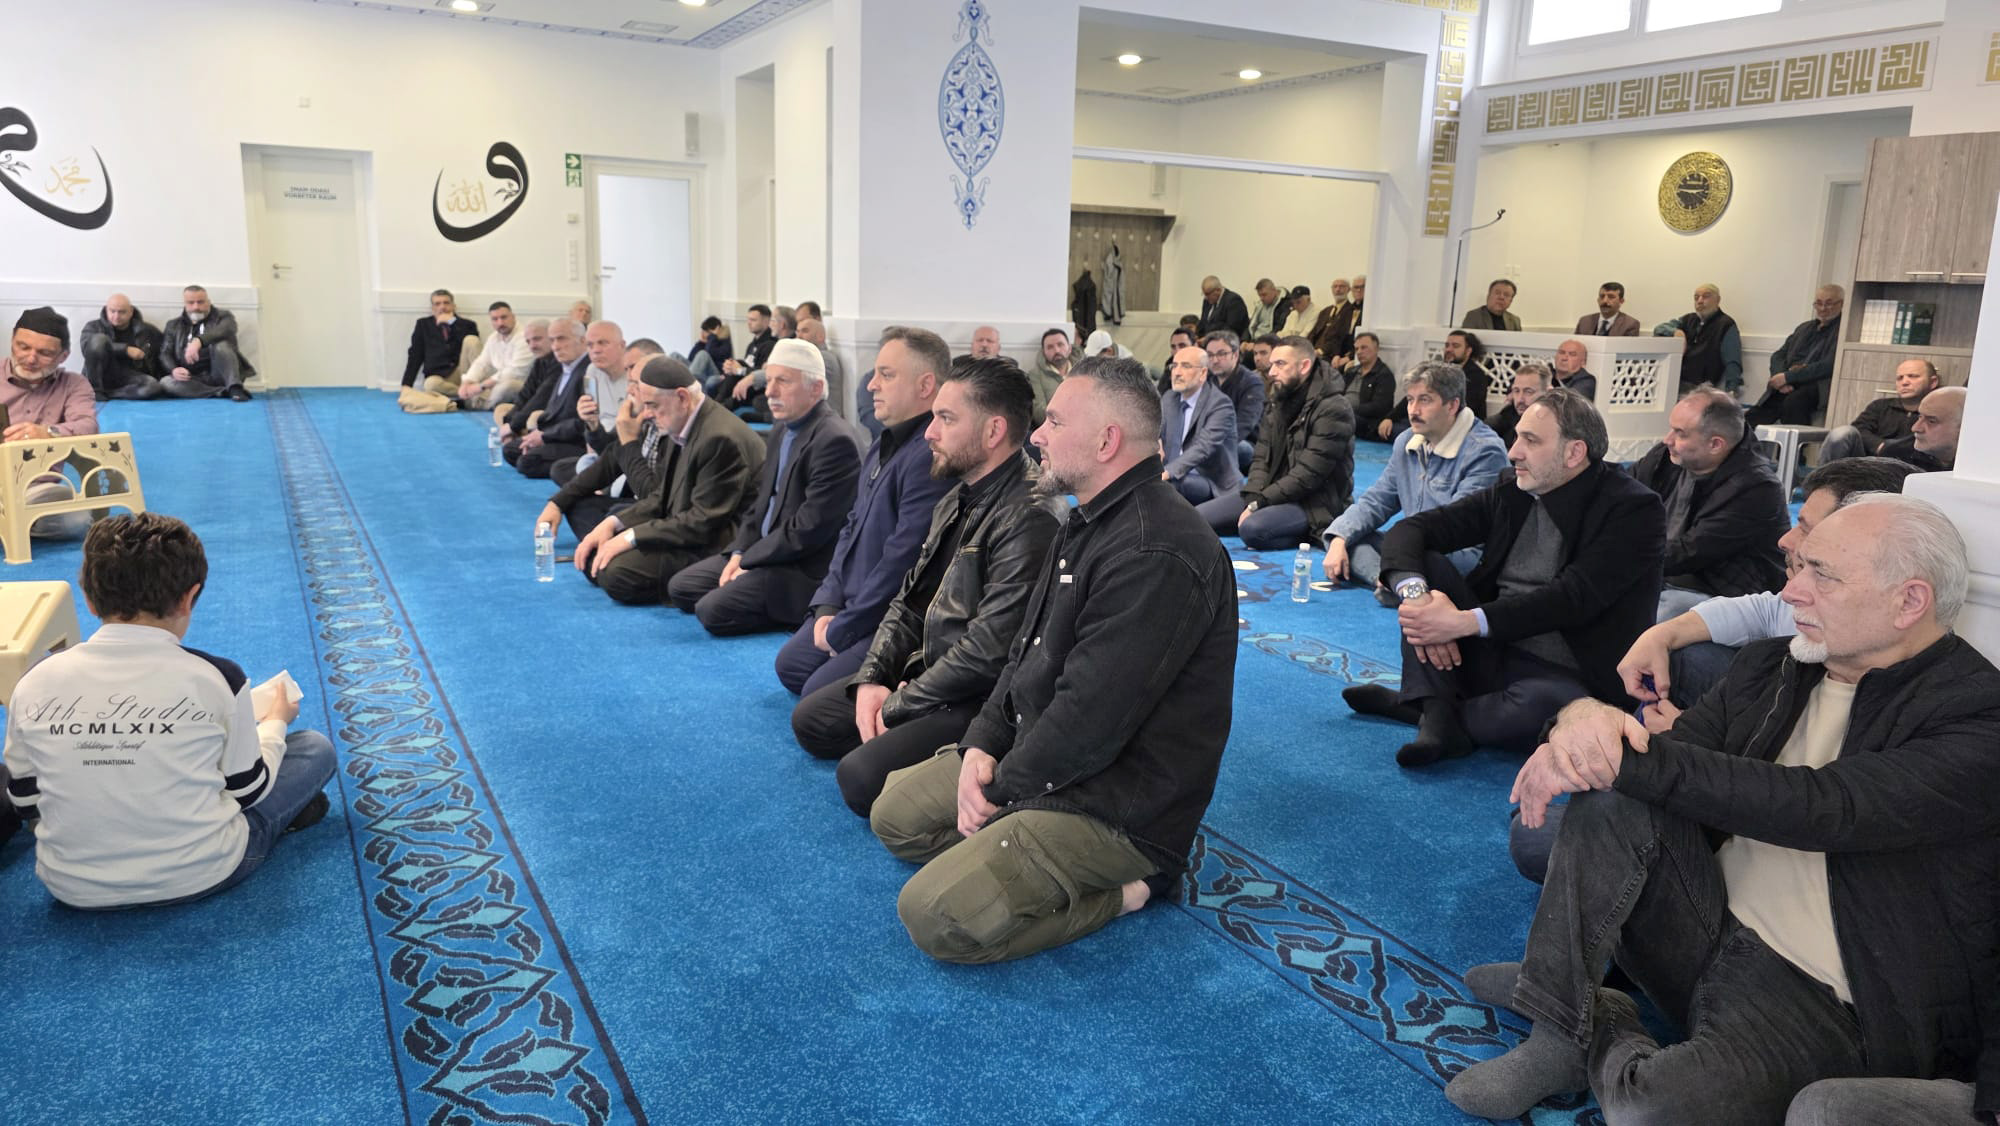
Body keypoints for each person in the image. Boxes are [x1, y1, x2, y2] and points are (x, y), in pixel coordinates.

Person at [1450, 494, 2000, 1124]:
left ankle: (1590, 1006)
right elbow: (1668, 758)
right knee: (1615, 796)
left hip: (1827, 1001)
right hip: (1708, 923)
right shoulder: (1771, 666)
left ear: (1909, 602)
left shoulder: (1978, 715)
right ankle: (1557, 1029)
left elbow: (1827, 807)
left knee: (1648, 1110)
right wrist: (1580, 720)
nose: (1791, 592)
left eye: (1822, 575)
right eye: (1799, 568)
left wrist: (1616, 754)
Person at [867, 355, 1237, 964]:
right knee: (894, 815)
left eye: (1056, 423)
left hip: (1118, 805)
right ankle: (1012, 849)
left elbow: (1090, 720)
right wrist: (982, 743)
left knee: (935, 916)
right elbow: (1022, 652)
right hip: (1047, 753)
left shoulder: (1157, 550)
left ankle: (1139, 887)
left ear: (1106, 441)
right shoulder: (1088, 516)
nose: (1036, 435)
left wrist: (997, 789)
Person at [1504, 457, 1922, 887]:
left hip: (1760, 830)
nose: (1786, 540)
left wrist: (1660, 748)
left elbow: (1801, 800)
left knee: (1541, 834)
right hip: (1737, 780)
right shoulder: (1792, 637)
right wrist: (1658, 641)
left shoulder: (1933, 703)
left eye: (1807, 530)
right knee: (1681, 647)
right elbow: (1762, 608)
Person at [1, 513, 336, 909]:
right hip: (204, 872)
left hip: (71, 886)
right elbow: (248, 790)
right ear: (189, 597)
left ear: (88, 598)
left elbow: (25, 801)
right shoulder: (217, 677)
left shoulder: (34, 681)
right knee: (313, 748)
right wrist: (276, 721)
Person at [791, 357, 1060, 815]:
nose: (930, 433)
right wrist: (875, 677)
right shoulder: (957, 494)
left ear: (993, 431)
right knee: (811, 721)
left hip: (982, 698)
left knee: (859, 779)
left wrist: (899, 703)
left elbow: (987, 653)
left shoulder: (1030, 515)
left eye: (946, 419)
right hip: (933, 670)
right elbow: (908, 601)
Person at [1342, 389, 1665, 767]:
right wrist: (1416, 596)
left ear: (1574, 453)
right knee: (1425, 567)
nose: (1514, 452)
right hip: (1495, 647)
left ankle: (1428, 710)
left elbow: (1571, 598)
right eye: (1516, 437)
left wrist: (1463, 622)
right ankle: (1437, 712)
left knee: (1550, 710)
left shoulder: (1633, 508)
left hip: (1569, 673)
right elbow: (1412, 529)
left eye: (1530, 440)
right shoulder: (1514, 487)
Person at [775, 327, 955, 697]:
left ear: (925, 385)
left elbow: (903, 561)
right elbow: (850, 528)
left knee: (814, 696)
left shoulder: (929, 456)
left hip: (888, 615)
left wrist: (845, 628)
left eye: (886, 375)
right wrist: (827, 603)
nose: (872, 385)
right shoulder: (882, 443)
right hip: (852, 603)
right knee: (790, 667)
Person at [667, 340, 861, 635]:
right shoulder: (782, 428)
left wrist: (749, 560)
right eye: (769, 380)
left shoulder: (835, 441)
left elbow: (808, 530)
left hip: (800, 566)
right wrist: (739, 551)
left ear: (816, 388)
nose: (769, 391)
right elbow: (761, 503)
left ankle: (799, 612)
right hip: (766, 550)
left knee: (711, 611)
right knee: (682, 588)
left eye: (783, 381)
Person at [573, 356, 764, 605]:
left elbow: (702, 522)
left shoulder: (719, 437)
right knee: (595, 556)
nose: (647, 414)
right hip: (687, 526)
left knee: (615, 573)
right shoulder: (682, 421)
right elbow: (660, 496)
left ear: (682, 397)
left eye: (652, 405)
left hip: (718, 541)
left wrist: (631, 536)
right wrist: (612, 524)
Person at [1323, 360, 1508, 596]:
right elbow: (1377, 499)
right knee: (1346, 538)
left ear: (1452, 405)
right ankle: (1395, 582)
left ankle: (1400, 582)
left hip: (1457, 554)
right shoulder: (1407, 441)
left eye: (1425, 400)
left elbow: (1459, 528)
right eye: (1410, 400)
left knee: (1417, 557)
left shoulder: (1483, 451)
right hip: (1410, 545)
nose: (1413, 410)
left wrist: (1403, 548)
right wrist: (1340, 538)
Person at [1632, 385, 1790, 618]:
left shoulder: (1756, 488)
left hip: (1724, 590)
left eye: (1680, 433)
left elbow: (1691, 552)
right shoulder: (1669, 456)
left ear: (1716, 444)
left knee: (1651, 615)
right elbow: (1623, 496)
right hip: (1667, 572)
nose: (1667, 439)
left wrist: (1623, 555)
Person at [1201, 335, 1355, 548]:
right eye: (1272, 364)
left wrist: (1260, 503)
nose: (1272, 372)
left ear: (1304, 366)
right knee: (1199, 518)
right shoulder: (1278, 399)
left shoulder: (1334, 408)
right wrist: (1254, 496)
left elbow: (1308, 474)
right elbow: (1260, 457)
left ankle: (1309, 532)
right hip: (1271, 490)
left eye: (1280, 364)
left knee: (1253, 530)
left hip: (1313, 501)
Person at [536, 353, 672, 541]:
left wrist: (629, 442)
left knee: (616, 514)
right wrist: (556, 504)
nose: (629, 391)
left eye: (636, 385)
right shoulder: (643, 419)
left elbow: (653, 499)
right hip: (638, 497)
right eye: (629, 382)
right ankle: (607, 545)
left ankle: (608, 547)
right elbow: (608, 462)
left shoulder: (672, 429)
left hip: (664, 515)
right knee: (575, 501)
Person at [2, 308, 104, 539]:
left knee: (76, 520)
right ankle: (16, 524)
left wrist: (48, 432)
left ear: (63, 356)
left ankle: (11, 522)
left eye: (45, 353)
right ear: (12, 341)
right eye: (23, 347)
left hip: (37, 489)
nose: (31, 359)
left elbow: (88, 426)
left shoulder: (74, 384)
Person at [502, 318, 593, 477]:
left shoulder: (588, 372)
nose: (556, 346)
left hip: (576, 441)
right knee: (510, 450)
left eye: (562, 339)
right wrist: (536, 435)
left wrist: (544, 436)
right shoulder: (566, 367)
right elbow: (531, 397)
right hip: (555, 435)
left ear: (582, 340)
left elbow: (583, 423)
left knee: (527, 462)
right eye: (552, 340)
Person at [1748, 285, 1845, 427]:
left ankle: (1796, 442)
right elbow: (1778, 355)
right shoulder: (1804, 328)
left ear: (1841, 304)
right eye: (1818, 303)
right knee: (1754, 416)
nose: (1823, 308)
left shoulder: (1844, 331)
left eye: (1829, 303)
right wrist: (1780, 376)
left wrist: (1788, 377)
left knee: (1793, 402)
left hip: (1817, 384)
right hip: (1788, 381)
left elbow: (1829, 365)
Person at [1160, 343, 1242, 505]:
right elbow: (1156, 429)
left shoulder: (1220, 404)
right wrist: (1155, 441)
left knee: (1168, 485)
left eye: (1186, 366)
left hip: (1210, 480)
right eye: (1174, 366)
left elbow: (1203, 448)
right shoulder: (1169, 397)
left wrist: (1167, 472)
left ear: (1203, 373)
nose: (1177, 372)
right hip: (1172, 473)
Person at [1816, 359, 1938, 463]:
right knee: (1842, 433)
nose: (1904, 382)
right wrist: (1880, 446)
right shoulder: (1880, 406)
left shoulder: (1937, 413)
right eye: (1900, 378)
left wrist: (1892, 449)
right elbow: (1859, 428)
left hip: (1908, 469)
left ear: (1933, 382)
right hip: (1868, 463)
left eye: (1913, 376)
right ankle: (1822, 480)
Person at [159, 285, 254, 401]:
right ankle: (222, 392)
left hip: (219, 373)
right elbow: (165, 353)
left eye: (200, 302)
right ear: (185, 304)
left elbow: (227, 330)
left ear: (208, 302)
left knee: (221, 345)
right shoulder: (173, 325)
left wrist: (198, 341)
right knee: (166, 383)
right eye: (191, 303)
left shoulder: (223, 317)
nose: (196, 307)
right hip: (192, 377)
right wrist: (174, 369)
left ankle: (235, 387)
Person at [79, 294, 163, 401]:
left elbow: (163, 352)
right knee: (99, 339)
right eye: (112, 311)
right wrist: (125, 350)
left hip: (129, 377)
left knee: (153, 386)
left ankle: (109, 394)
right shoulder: (93, 327)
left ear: (131, 311)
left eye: (122, 312)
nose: (116, 316)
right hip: (100, 376)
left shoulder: (147, 330)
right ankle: (95, 391)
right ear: (106, 309)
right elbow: (87, 349)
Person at [1202, 330, 1265, 470]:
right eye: (1210, 355)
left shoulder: (1252, 383)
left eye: (1221, 354)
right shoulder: (1206, 380)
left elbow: (1244, 425)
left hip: (1244, 443)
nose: (1215, 360)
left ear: (1235, 355)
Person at [454, 301, 534, 410]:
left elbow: (514, 372)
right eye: (495, 319)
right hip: (497, 383)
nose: (500, 322)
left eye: (504, 317)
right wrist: (467, 383)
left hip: (520, 384)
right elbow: (482, 363)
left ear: (513, 317)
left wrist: (481, 386)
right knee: (477, 388)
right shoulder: (493, 338)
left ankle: (475, 403)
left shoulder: (524, 337)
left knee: (507, 387)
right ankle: (478, 401)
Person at [400, 288, 480, 394]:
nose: (442, 307)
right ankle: (468, 393)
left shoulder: (468, 324)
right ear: (432, 308)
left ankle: (472, 390)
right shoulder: (423, 325)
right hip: (438, 376)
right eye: (437, 304)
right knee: (430, 385)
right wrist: (406, 385)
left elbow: (473, 349)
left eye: (446, 303)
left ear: (453, 306)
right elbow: (415, 355)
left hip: (463, 372)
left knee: (472, 340)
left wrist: (452, 322)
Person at [1670, 283, 1743, 394]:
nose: (1700, 301)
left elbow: (1732, 361)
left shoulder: (1725, 324)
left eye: (1706, 296)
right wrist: (1675, 331)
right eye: (1696, 297)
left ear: (1718, 300)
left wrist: (1732, 390)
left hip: (1700, 387)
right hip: (1674, 380)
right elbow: (1659, 329)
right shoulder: (1688, 319)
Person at [1881, 385, 1964, 472]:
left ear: (1963, 427)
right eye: (1920, 417)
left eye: (1931, 421)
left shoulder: (1973, 464)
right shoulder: (1895, 454)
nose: (1915, 428)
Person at [494, 319, 553, 431]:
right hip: (537, 407)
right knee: (501, 410)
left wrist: (512, 425)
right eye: (528, 342)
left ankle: (518, 437)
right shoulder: (539, 361)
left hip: (553, 410)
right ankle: (516, 436)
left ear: (552, 337)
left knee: (534, 418)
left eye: (537, 339)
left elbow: (541, 399)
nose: (532, 346)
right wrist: (509, 421)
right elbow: (525, 394)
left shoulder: (559, 362)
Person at [1339, 333, 1397, 442]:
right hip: (1343, 412)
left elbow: (1380, 407)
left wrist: (1349, 409)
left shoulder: (1384, 375)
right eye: (1356, 349)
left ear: (1376, 349)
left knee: (1342, 419)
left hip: (1366, 421)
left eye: (1364, 347)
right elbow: (1337, 392)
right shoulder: (1351, 372)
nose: (1359, 352)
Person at [1489, 362, 1549, 447]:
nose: (1520, 399)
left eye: (1528, 392)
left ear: (1547, 393)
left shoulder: (1554, 426)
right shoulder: (1509, 413)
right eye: (1516, 391)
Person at [1026, 327, 1071, 427]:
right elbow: (1039, 412)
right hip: (1054, 429)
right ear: (1044, 352)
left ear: (1069, 348)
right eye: (1050, 347)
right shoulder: (1035, 375)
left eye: (1060, 345)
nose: (1056, 350)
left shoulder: (1084, 371)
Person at [1574, 282, 1640, 337]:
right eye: (1602, 296)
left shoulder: (1630, 324)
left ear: (1621, 301)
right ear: (1598, 300)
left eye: (1611, 297)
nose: (1605, 301)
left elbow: (1626, 348)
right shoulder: (1584, 321)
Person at [687, 316, 733, 382]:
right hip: (702, 372)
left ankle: (689, 383)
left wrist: (712, 336)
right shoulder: (708, 342)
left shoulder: (724, 342)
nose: (702, 334)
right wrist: (700, 343)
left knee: (703, 353)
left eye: (706, 331)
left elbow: (710, 353)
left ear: (717, 330)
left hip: (716, 373)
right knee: (675, 355)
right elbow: (691, 358)